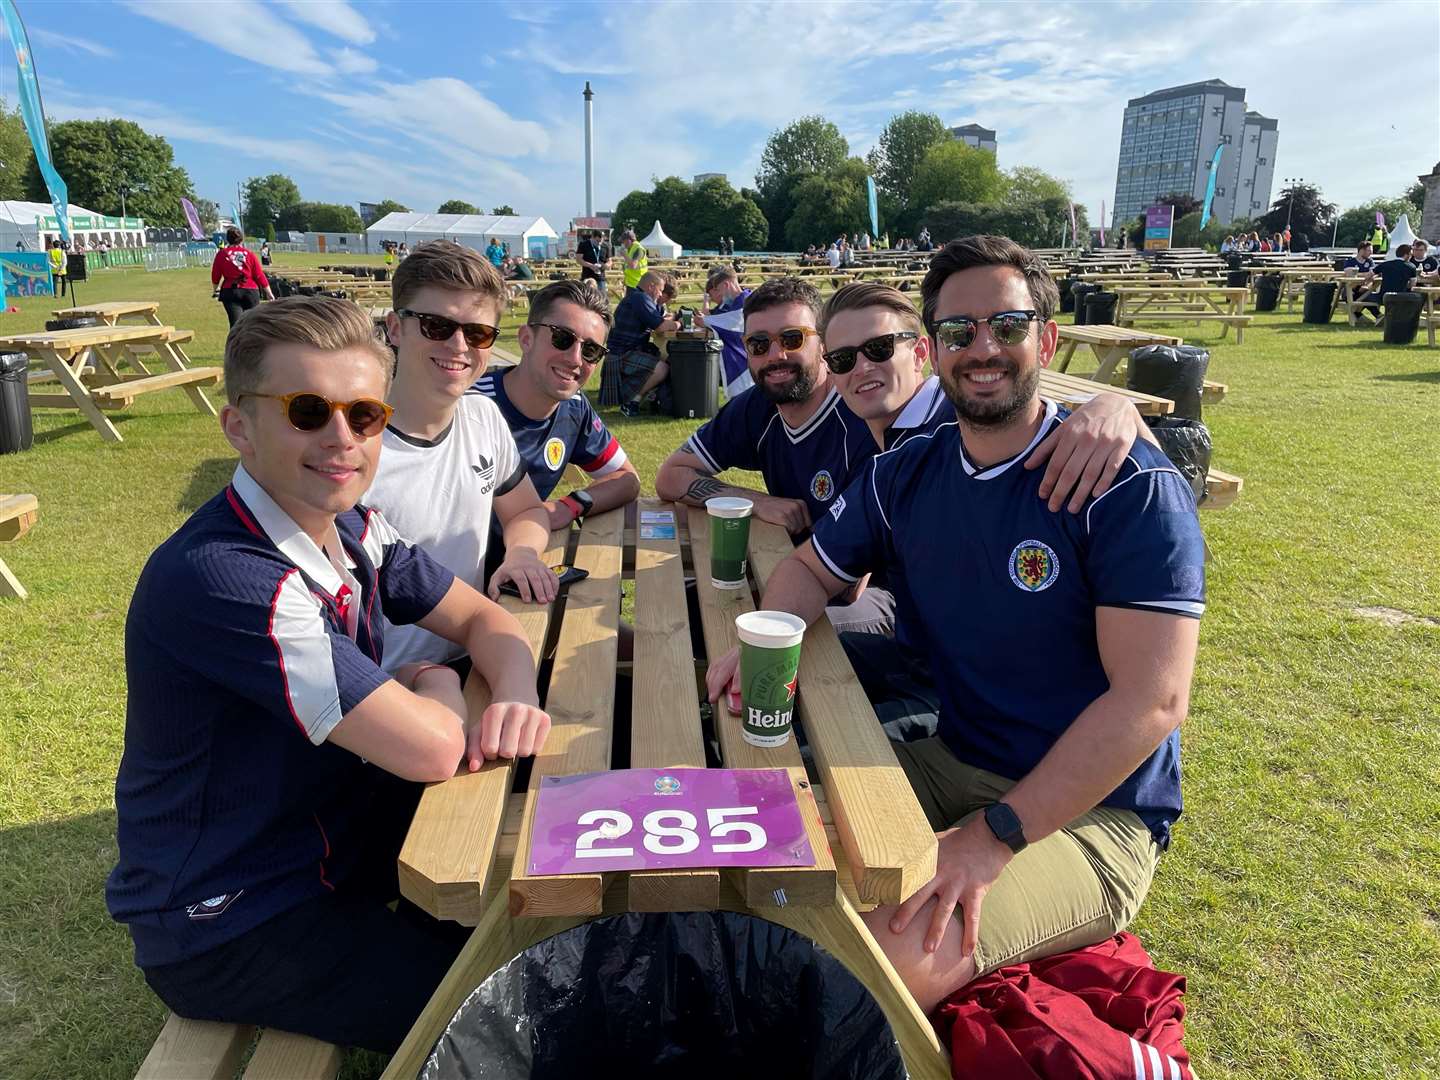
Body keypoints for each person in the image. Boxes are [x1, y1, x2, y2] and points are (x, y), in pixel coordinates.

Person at [706, 235, 1204, 1014]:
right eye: (958, 332)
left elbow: (1151, 703)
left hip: (1093, 819)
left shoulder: (1127, 483)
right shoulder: (908, 470)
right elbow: (810, 569)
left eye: (1005, 327)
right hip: (953, 759)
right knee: (753, 852)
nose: (981, 349)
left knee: (865, 966)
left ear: (1045, 338)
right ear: (933, 350)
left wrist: (991, 837)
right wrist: (772, 633)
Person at [107, 296, 551, 1054]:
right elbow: (433, 750)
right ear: (239, 427)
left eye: (365, 414)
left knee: (534, 917)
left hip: (326, 838)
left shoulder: (351, 525)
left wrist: (510, 690)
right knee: (512, 1018)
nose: (342, 440)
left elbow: (487, 622)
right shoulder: (226, 578)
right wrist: (436, 684)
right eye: (308, 411)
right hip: (231, 917)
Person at [655, 276, 1147, 638]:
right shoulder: (773, 411)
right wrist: (753, 502)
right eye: (759, 344)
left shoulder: (932, 422)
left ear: (921, 355)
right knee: (707, 609)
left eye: (792, 340)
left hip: (894, 604)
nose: (775, 356)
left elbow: (1026, 412)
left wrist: (1117, 407)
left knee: (769, 625)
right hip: (867, 591)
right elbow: (671, 475)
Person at [371, 242, 561, 673]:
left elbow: (526, 509)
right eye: (437, 325)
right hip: (383, 686)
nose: (459, 345)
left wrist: (522, 555)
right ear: (395, 328)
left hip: (476, 658)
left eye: (477, 333)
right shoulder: (351, 446)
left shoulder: (482, 416)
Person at [473, 280, 639, 523]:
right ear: (526, 338)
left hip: (526, 553)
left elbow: (626, 478)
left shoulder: (574, 406)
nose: (575, 359)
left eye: (590, 350)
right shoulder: (471, 406)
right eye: (562, 338)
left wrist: (567, 507)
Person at [601, 270, 680, 415]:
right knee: (662, 368)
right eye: (660, 290)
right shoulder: (640, 298)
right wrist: (678, 324)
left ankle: (647, 398)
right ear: (651, 286)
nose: (661, 295)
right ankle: (632, 401)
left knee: (664, 358)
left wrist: (671, 319)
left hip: (624, 352)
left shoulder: (638, 297)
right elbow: (660, 326)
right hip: (621, 355)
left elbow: (658, 318)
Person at [693, 263, 755, 398]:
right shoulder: (737, 302)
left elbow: (733, 325)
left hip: (746, 362)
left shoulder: (745, 301)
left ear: (726, 285)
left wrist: (705, 321)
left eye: (718, 290)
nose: (719, 295)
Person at [210, 227, 274, 327]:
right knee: (253, 324)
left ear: (228, 239)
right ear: (241, 239)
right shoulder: (249, 254)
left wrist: (215, 289)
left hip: (230, 290)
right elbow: (259, 275)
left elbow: (215, 275)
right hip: (250, 290)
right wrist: (269, 292)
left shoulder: (222, 254)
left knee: (235, 325)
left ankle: (236, 342)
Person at [1359, 243, 1418, 321]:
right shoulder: (1411, 267)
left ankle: (1358, 315)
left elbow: (1368, 275)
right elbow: (1412, 285)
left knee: (1362, 296)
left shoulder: (1385, 264)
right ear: (1407, 255)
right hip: (1401, 297)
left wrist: (1369, 280)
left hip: (1383, 297)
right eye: (1411, 254)